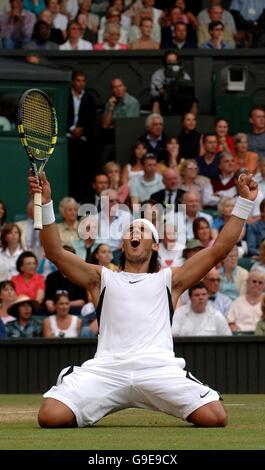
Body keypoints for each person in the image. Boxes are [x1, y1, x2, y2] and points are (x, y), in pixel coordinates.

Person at [29, 169, 257, 428]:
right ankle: (74, 383)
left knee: (215, 417)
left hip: (159, 370)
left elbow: (220, 249)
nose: (134, 233)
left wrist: (245, 202)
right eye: (130, 231)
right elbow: (54, 252)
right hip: (107, 370)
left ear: (156, 245)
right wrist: (44, 201)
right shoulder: (101, 278)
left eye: (142, 230)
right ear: (123, 245)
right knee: (50, 417)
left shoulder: (170, 280)